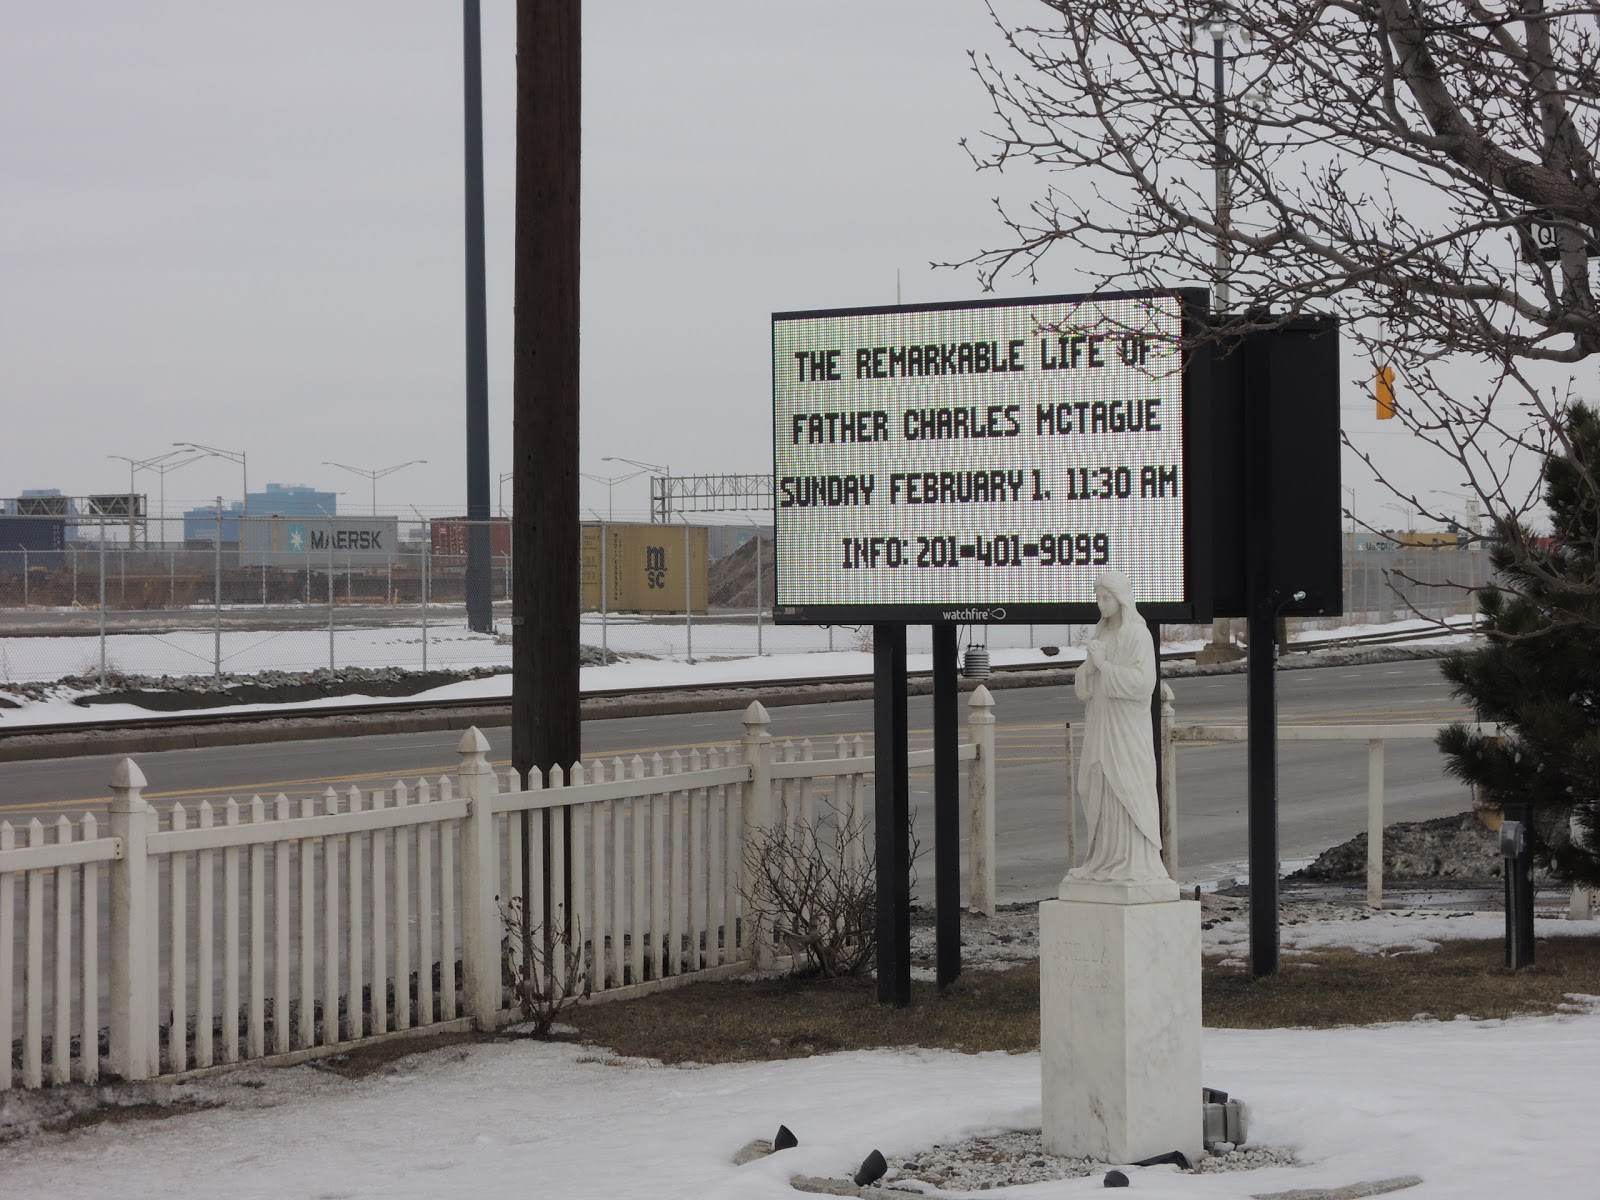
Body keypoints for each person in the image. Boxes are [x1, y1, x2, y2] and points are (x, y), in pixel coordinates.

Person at [1067, 570, 1168, 884]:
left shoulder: (1137, 635)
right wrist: (1089, 668)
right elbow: (1085, 684)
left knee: (1126, 784)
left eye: (1106, 597)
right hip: (1100, 722)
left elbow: (1142, 684)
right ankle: (1101, 859)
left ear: (1121, 598)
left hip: (1125, 728)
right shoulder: (1101, 634)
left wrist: (1104, 667)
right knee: (1094, 784)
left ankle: (1130, 862)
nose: (1100, 604)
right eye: (1097, 598)